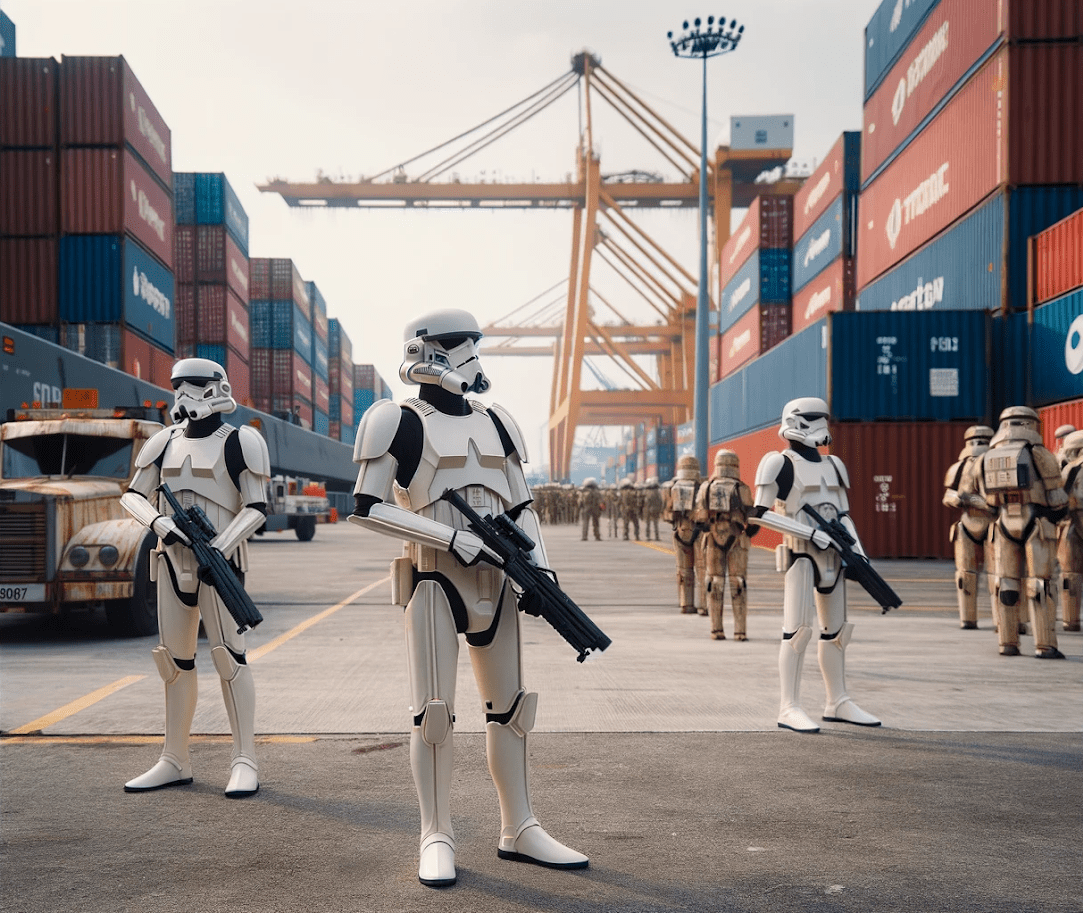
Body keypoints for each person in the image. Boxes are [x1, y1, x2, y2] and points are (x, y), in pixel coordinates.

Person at [348, 308, 587, 887]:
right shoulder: (396, 420)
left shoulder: (498, 421)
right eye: (458, 343)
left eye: (474, 342)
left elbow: (523, 506)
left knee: (512, 709)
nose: (471, 354)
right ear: (425, 351)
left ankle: (520, 825)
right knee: (433, 714)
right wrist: (451, 537)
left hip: (500, 581)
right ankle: (436, 832)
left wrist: (543, 570)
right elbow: (368, 507)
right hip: (434, 577)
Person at [120, 357, 270, 797]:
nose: (185, 392)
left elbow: (257, 505)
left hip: (220, 562)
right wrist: (159, 525)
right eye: (178, 384)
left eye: (196, 384)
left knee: (229, 657)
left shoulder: (242, 441)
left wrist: (220, 547)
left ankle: (245, 759)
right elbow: (133, 496)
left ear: (218, 387)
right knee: (173, 662)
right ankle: (174, 758)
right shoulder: (163, 441)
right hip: (170, 562)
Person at [752, 397, 881, 733]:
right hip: (801, 554)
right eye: (813, 418)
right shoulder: (778, 464)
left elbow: (843, 515)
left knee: (837, 634)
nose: (821, 424)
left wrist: (859, 552)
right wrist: (809, 532)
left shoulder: (834, 465)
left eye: (823, 417)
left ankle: (837, 701)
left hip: (835, 555)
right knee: (798, 632)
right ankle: (788, 706)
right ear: (795, 421)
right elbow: (759, 515)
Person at [958, 406, 1068, 659]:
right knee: (1041, 584)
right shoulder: (1038, 453)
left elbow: (967, 495)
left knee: (1005, 583)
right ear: (1030, 425)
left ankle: (1007, 643)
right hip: (1036, 523)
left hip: (1003, 524)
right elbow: (1058, 497)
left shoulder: (985, 458)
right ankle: (1045, 645)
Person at [695, 450, 756, 641]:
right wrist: (747, 533)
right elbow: (752, 519)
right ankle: (740, 631)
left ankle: (716, 630)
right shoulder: (742, 488)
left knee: (714, 582)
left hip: (713, 539)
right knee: (738, 582)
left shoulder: (706, 487)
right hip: (737, 539)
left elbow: (699, 518)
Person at [942, 426, 995, 629]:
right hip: (967, 523)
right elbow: (948, 494)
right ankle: (968, 618)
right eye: (972, 441)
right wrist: (957, 499)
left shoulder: (998, 466)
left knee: (999, 576)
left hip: (993, 524)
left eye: (982, 441)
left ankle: (1007, 621)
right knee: (965, 576)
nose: (976, 445)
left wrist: (974, 500)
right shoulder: (959, 467)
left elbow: (999, 501)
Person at [663, 456, 702, 614]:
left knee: (684, 570)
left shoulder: (673, 489)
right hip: (700, 532)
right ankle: (705, 606)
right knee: (702, 569)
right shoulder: (703, 487)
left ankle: (686, 604)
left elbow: (668, 515)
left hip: (681, 531)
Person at [1057, 430, 1083, 632]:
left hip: (1074, 524)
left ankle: (1070, 620)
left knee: (1070, 575)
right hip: (1074, 521)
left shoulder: (1070, 470)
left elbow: (1059, 501)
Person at [578, 477, 603, 541]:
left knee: (585, 523)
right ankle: (597, 536)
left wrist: (581, 508)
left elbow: (580, 502)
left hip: (586, 508)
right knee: (596, 523)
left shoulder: (583, 493)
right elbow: (601, 502)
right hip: (595, 509)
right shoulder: (597, 492)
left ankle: (584, 536)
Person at [619, 476, 641, 541]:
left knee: (626, 523)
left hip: (625, 510)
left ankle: (625, 536)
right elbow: (638, 501)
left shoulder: (622, 493)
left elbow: (620, 502)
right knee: (636, 524)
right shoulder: (634, 492)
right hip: (633, 510)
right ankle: (637, 536)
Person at [642, 477, 663, 541]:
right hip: (655, 509)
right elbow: (661, 502)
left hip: (648, 510)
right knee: (655, 524)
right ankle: (657, 537)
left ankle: (647, 536)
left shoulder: (645, 492)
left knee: (648, 524)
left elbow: (643, 502)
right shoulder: (658, 492)